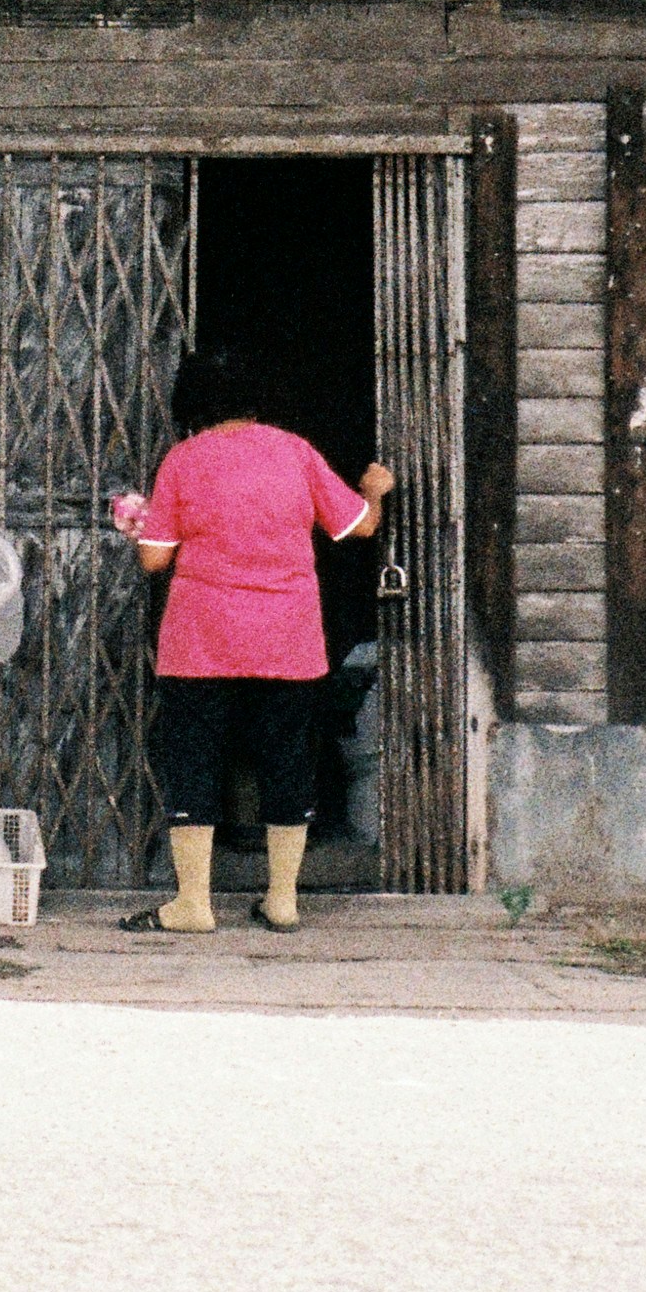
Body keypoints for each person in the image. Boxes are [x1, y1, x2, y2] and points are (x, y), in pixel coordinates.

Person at [116, 347, 378, 935]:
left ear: (193, 403)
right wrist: (375, 488)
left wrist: (142, 523)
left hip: (201, 640)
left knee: (195, 761)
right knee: (286, 761)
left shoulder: (182, 461)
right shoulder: (296, 453)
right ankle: (282, 900)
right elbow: (358, 526)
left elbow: (155, 560)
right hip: (288, 638)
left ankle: (192, 904)